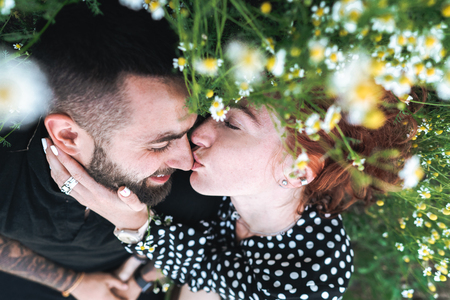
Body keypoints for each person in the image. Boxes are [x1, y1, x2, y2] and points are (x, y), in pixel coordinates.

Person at [45, 88, 417, 299]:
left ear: (297, 170)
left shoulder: (314, 277)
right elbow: (211, 260)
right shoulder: (240, 196)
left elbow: (214, 273)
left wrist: (135, 225)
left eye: (232, 124)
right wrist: (144, 274)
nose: (198, 133)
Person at [0, 2, 221, 300]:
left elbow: (222, 254)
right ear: (67, 136)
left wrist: (142, 263)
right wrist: (74, 283)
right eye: (159, 144)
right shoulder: (7, 164)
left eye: (188, 132)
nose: (187, 160)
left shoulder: (204, 180)